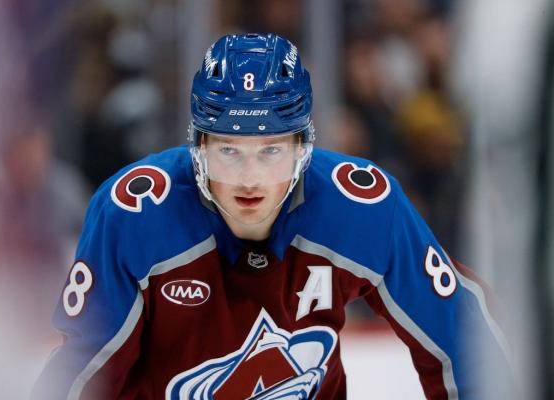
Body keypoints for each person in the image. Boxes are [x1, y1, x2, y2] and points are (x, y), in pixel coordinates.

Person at [33, 33, 512, 399]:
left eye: (271, 151)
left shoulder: (361, 208)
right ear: (198, 146)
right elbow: (81, 368)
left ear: (303, 147)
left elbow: (462, 335)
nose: (250, 179)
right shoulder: (134, 214)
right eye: (228, 150)